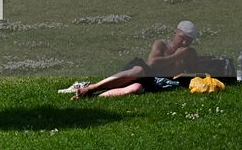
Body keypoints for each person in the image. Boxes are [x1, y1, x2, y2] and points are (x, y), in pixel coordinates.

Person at [69, 21, 201, 98]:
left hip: (153, 82)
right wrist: (176, 57)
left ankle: (94, 96)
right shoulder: (161, 44)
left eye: (188, 40)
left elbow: (195, 72)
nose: (184, 42)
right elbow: (152, 63)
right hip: (142, 71)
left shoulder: (189, 53)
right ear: (175, 33)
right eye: (181, 37)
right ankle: (92, 87)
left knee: (136, 88)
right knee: (139, 70)